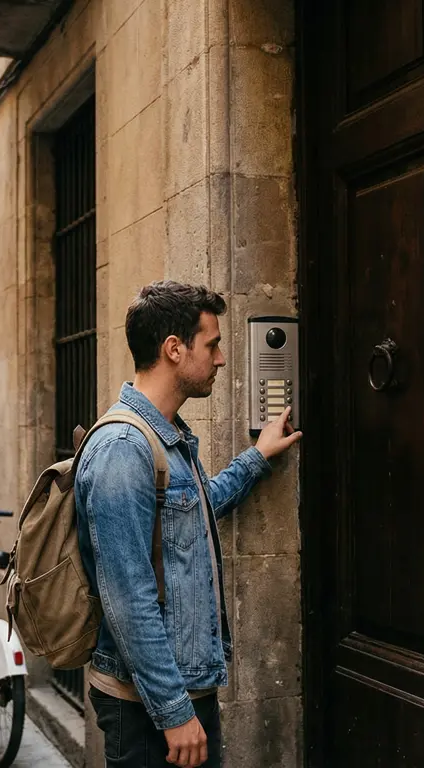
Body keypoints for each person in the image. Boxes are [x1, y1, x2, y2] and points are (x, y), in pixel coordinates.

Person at [75, 281, 301, 768]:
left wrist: (257, 456)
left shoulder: (167, 437)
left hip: (181, 689)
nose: (220, 359)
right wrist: (175, 713)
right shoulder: (123, 448)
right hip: (149, 707)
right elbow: (128, 597)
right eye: (213, 344)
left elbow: (194, 508)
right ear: (174, 349)